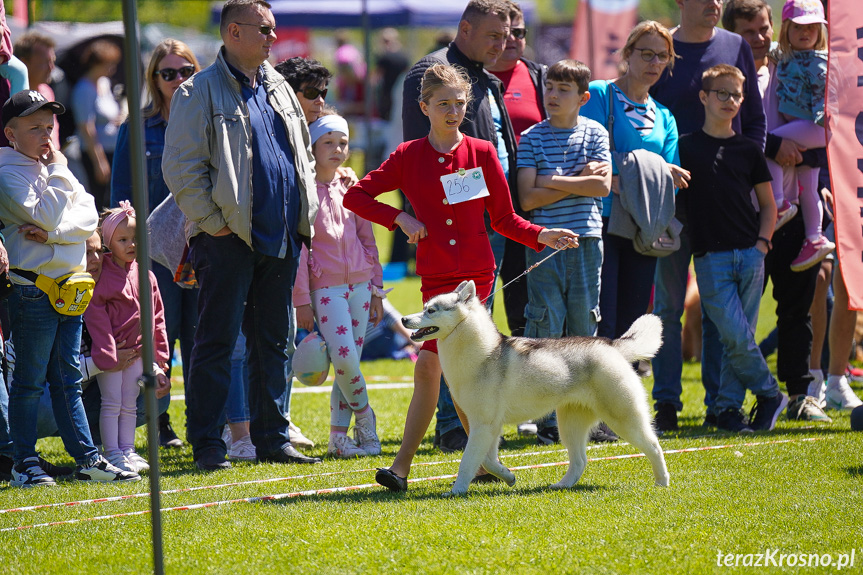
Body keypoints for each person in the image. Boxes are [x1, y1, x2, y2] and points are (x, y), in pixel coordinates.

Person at [344, 63, 578, 492]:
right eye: (443, 104)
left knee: (438, 367)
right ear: (424, 107)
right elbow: (355, 195)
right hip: (434, 279)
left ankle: (405, 468)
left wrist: (542, 234)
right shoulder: (406, 156)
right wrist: (399, 218)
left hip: (474, 283)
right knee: (438, 369)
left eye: (460, 103)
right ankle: (478, 461)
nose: (453, 111)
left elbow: (505, 219)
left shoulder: (484, 152)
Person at [162, 0, 321, 471]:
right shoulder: (197, 93)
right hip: (226, 240)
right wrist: (216, 225)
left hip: (282, 236)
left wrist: (301, 213)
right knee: (215, 341)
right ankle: (208, 444)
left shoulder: (279, 87)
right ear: (234, 31)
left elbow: (304, 157)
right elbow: (182, 170)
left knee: (274, 342)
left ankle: (272, 437)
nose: (274, 37)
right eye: (265, 29)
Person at [0, 90, 139, 485]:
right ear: (10, 133)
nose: (46, 136)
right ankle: (24, 462)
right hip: (33, 291)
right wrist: (60, 171)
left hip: (71, 289)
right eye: (35, 129)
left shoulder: (49, 168)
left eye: (49, 127)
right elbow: (42, 213)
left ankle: (87, 459)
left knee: (68, 380)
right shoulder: (7, 171)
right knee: (28, 381)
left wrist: (56, 233)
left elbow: (88, 214)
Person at [401, 0, 514, 453]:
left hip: (486, 229)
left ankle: (480, 447)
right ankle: (455, 430)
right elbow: (418, 158)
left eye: (506, 36)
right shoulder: (432, 71)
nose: (501, 44)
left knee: (475, 341)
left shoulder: (487, 77)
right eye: (493, 35)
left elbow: (492, 145)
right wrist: (407, 215)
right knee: (442, 351)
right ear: (465, 28)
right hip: (445, 237)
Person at [648, 0, 766, 429]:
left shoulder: (735, 45)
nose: (715, 4)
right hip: (671, 200)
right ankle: (665, 403)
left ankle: (722, 405)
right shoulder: (659, 46)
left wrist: (748, 180)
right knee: (667, 305)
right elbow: (648, 111)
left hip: (724, 202)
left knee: (721, 307)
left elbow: (754, 120)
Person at [723, 0, 831, 423]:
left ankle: (801, 393)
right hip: (747, 209)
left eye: (763, 28)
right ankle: (737, 398)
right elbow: (729, 131)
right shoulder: (726, 79)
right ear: (733, 35)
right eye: (748, 31)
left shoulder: (792, 66)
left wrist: (820, 190)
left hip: (795, 206)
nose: (759, 38)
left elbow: (820, 128)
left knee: (797, 306)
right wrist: (772, 146)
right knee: (741, 313)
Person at [679, 64, 785, 433]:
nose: (729, 101)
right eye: (720, 93)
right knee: (734, 334)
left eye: (736, 95)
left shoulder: (748, 149)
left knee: (735, 336)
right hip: (710, 256)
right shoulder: (686, 146)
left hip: (752, 255)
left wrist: (762, 243)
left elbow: (768, 204)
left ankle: (727, 409)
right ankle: (770, 393)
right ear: (704, 97)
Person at [516, 59, 612, 444]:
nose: (552, 95)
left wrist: (551, 179)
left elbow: (602, 189)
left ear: (583, 97)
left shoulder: (596, 132)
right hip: (544, 242)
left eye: (563, 90)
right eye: (549, 87)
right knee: (546, 327)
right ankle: (547, 421)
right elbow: (526, 197)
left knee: (582, 328)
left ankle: (582, 419)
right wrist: (579, 180)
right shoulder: (532, 137)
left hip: (587, 240)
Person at [111, 39, 200, 449]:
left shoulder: (209, 122)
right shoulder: (136, 127)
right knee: (159, 338)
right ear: (154, 79)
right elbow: (122, 195)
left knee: (203, 337)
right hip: (152, 254)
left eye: (186, 71)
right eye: (169, 73)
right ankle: (159, 423)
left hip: (203, 244)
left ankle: (204, 421)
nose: (178, 79)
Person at [580, 21, 686, 346]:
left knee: (633, 321)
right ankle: (595, 394)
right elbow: (588, 155)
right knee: (602, 318)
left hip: (644, 225)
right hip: (602, 220)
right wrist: (649, 170)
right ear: (627, 54)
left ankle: (624, 394)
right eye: (647, 54)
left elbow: (674, 176)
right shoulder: (600, 94)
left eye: (662, 57)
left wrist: (621, 172)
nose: (654, 63)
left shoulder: (665, 116)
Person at [294, 113, 385, 458]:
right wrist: (302, 298)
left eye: (342, 143)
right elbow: (301, 250)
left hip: (362, 288)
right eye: (328, 143)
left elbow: (368, 239)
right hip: (325, 290)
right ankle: (366, 421)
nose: (337, 149)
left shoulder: (351, 186)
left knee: (351, 363)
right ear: (313, 147)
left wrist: (376, 288)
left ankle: (337, 439)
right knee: (344, 360)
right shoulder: (302, 190)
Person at [83, 202, 170, 473]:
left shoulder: (147, 276)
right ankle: (112, 453)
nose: (131, 245)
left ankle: (127, 450)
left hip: (135, 354)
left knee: (129, 403)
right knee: (111, 403)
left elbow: (157, 319)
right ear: (108, 242)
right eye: (123, 240)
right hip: (112, 357)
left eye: (135, 239)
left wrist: (159, 360)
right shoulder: (101, 279)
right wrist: (108, 356)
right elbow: (95, 315)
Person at [486, 1, 545, 339]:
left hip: (532, 201)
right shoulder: (472, 77)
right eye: (505, 33)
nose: (512, 40)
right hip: (485, 202)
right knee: (482, 288)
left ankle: (526, 366)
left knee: (525, 289)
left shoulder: (539, 75)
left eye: (519, 33)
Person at [767, 0, 833, 271]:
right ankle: (815, 238)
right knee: (808, 186)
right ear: (786, 31)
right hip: (806, 130)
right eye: (797, 28)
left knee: (769, 143)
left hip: (814, 126)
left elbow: (823, 97)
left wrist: (821, 117)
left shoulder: (818, 62)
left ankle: (779, 203)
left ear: (820, 31)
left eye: (812, 28)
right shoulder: (786, 55)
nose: (805, 33)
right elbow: (769, 49)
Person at [70, 39, 124, 211]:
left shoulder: (104, 83)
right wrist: (99, 162)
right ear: (97, 63)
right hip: (94, 153)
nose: (112, 69)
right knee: (100, 200)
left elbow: (110, 110)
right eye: (109, 64)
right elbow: (86, 128)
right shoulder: (83, 89)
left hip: (113, 151)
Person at [13, 31, 59, 149]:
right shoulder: (9, 95)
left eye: (52, 61)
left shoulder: (47, 91)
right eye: (46, 62)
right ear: (24, 62)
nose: (51, 68)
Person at [275, 56, 332, 124]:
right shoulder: (271, 128)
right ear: (289, 94)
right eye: (311, 93)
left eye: (323, 93)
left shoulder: (328, 126)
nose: (321, 101)